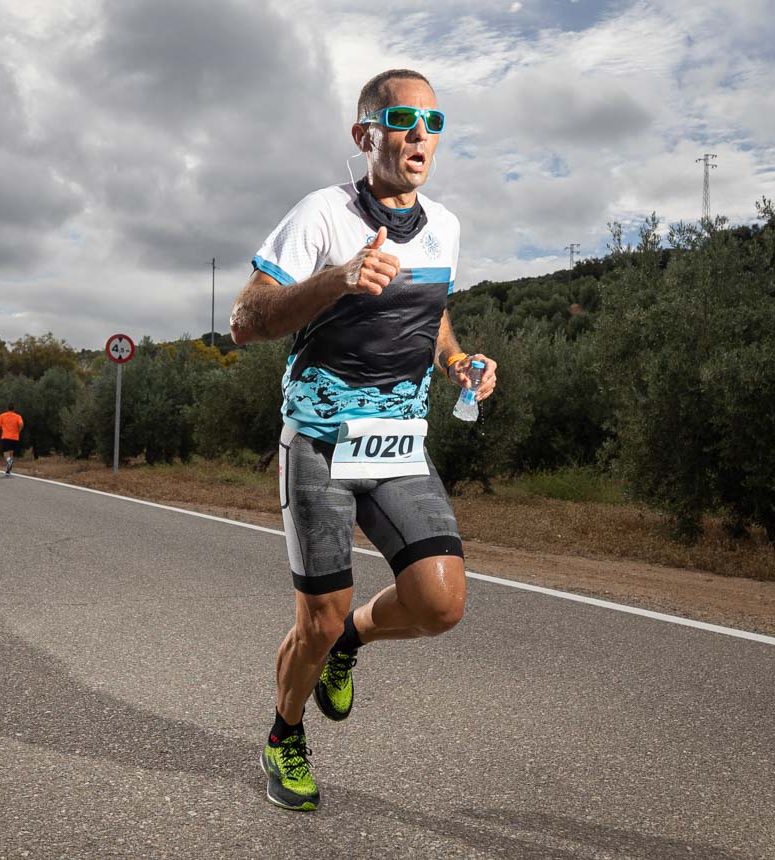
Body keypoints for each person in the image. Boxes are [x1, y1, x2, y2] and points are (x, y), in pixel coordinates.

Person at [230, 69, 498, 811]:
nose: (421, 134)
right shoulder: (323, 214)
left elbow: (433, 312)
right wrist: (339, 279)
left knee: (440, 605)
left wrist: (457, 363)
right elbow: (245, 319)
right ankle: (285, 734)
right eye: (404, 118)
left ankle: (354, 640)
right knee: (313, 619)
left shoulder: (445, 227)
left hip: (398, 444)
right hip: (318, 440)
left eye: (434, 122)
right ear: (366, 135)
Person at [0, 403, 24, 477]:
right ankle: (8, 471)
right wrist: (18, 431)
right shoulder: (18, 416)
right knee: (11, 454)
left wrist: (0, 429)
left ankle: (8, 461)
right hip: (15, 437)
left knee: (6, 454)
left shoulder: (2, 415)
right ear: (14, 409)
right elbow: (21, 424)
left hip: (5, 437)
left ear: (7, 408)